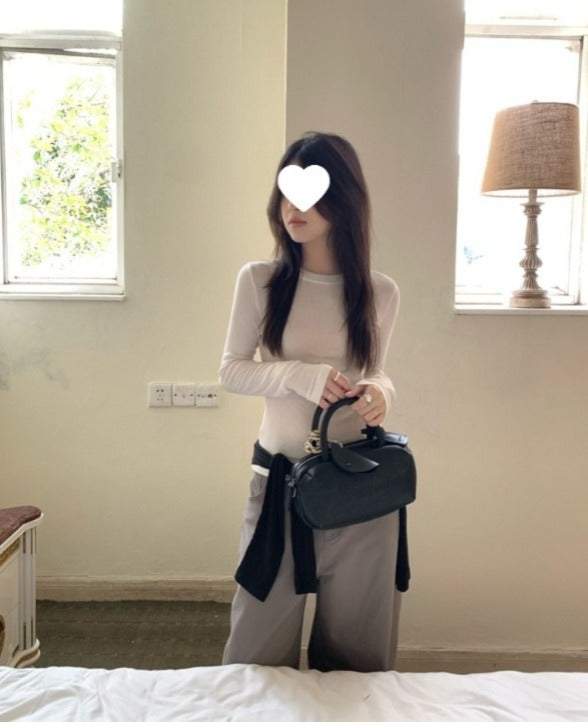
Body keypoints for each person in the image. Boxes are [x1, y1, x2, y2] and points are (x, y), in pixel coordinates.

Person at [219, 131, 404, 672]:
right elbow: (232, 370)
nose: (293, 207)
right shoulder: (260, 281)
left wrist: (381, 392)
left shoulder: (380, 291)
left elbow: (375, 370)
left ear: (343, 199)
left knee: (357, 662)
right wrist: (297, 375)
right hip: (278, 481)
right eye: (287, 191)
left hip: (362, 489)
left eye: (311, 192)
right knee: (254, 661)